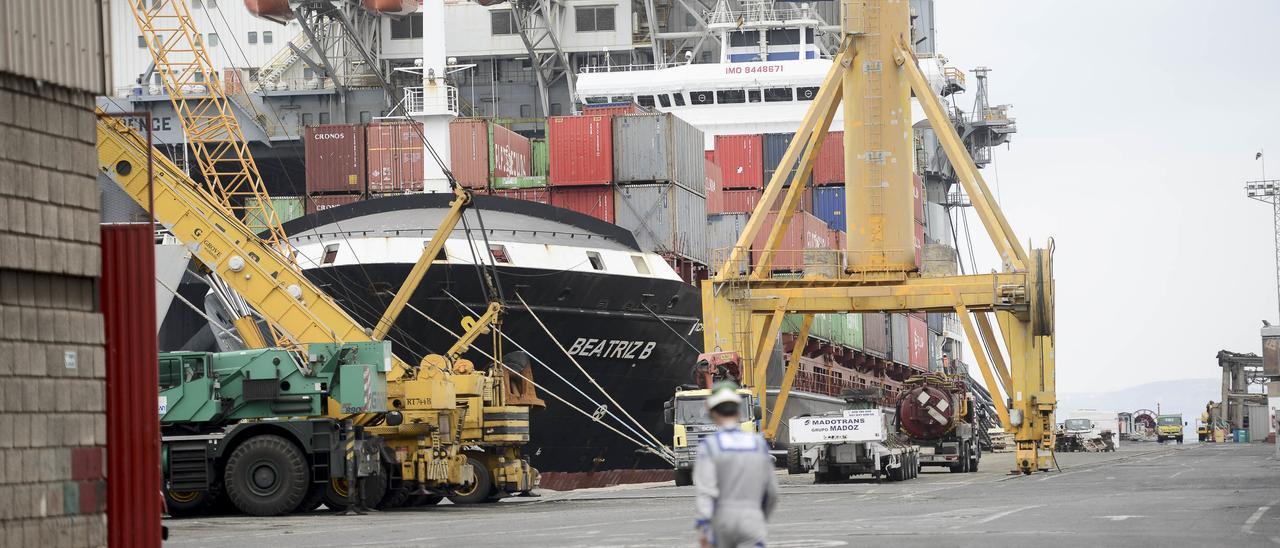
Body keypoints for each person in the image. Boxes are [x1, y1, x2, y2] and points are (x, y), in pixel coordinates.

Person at [693, 382, 778, 548]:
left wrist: (704, 528)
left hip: (722, 519)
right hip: (752, 517)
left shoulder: (710, 446)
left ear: (711, 412)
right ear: (739, 411)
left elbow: (706, 493)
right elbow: (772, 492)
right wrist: (758, 516)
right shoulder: (758, 444)